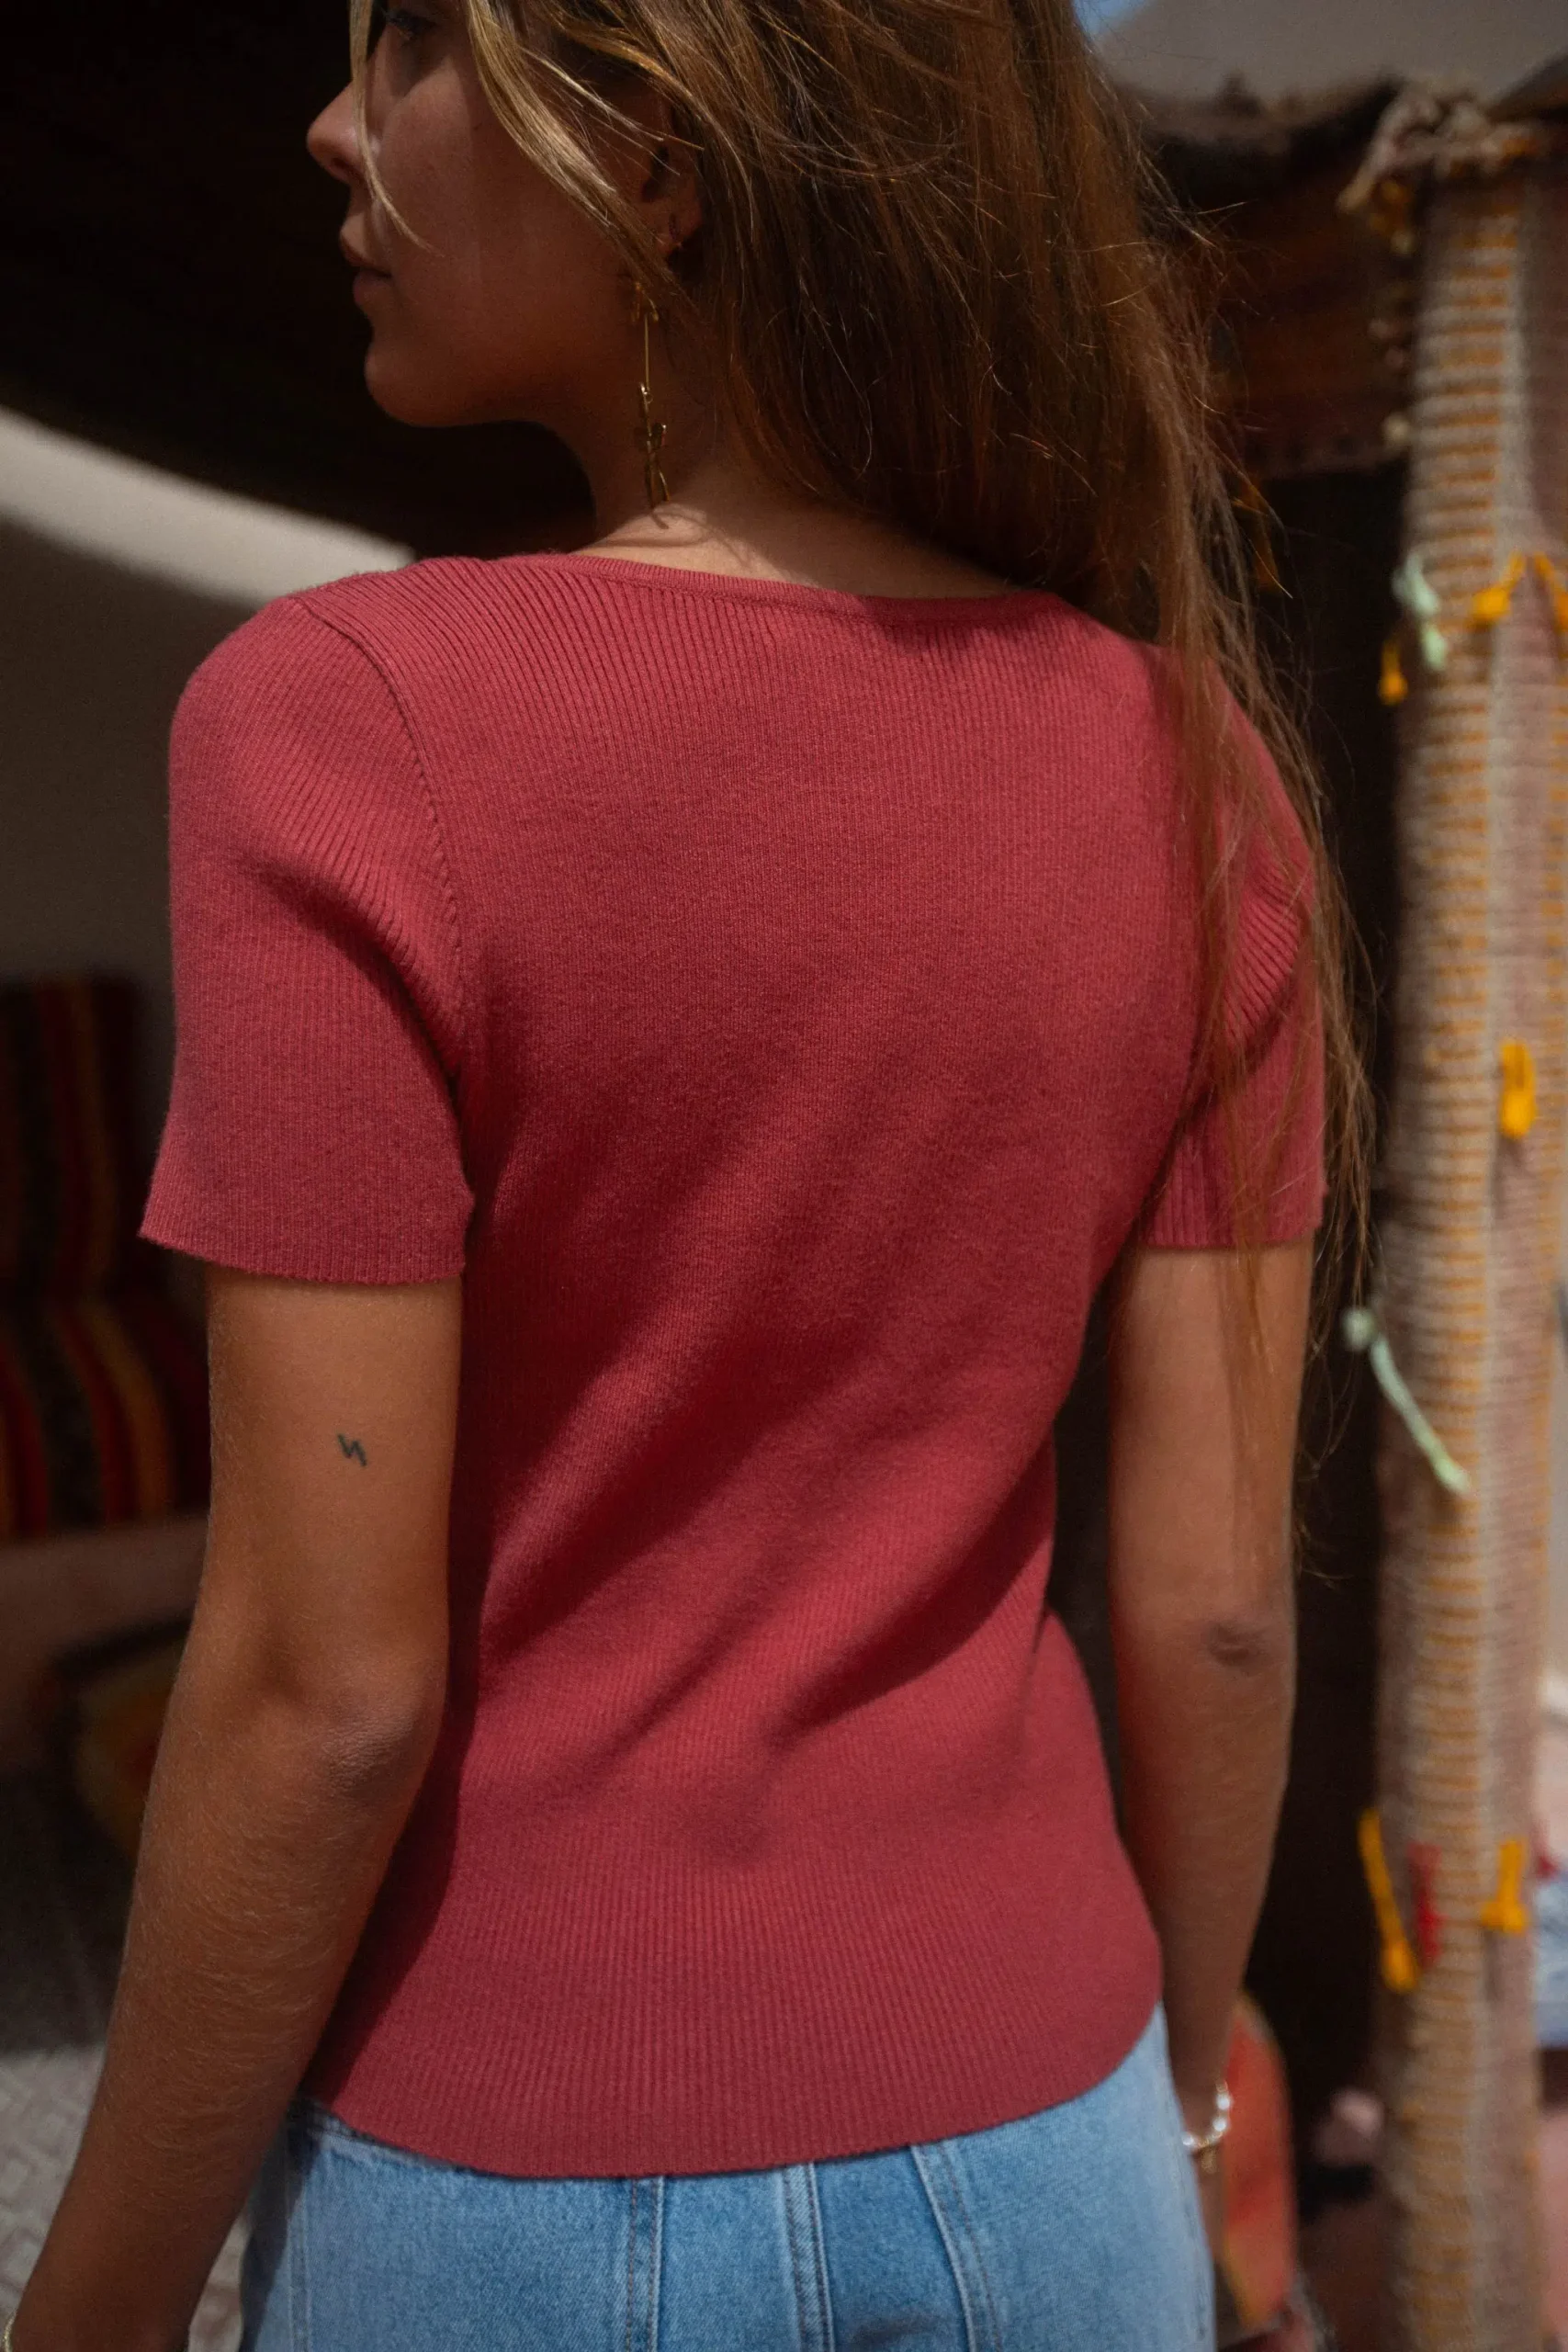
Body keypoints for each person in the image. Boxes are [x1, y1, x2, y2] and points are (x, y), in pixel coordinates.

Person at [8, 0, 1368, 2345]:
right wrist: (1174, 2104)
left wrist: (94, 2304)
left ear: (653, 147)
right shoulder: (1195, 772)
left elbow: (322, 1696)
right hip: (1055, 2154)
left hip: (521, 2183)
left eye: (411, 42)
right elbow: (1221, 1604)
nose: (330, 128)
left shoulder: (345, 725)